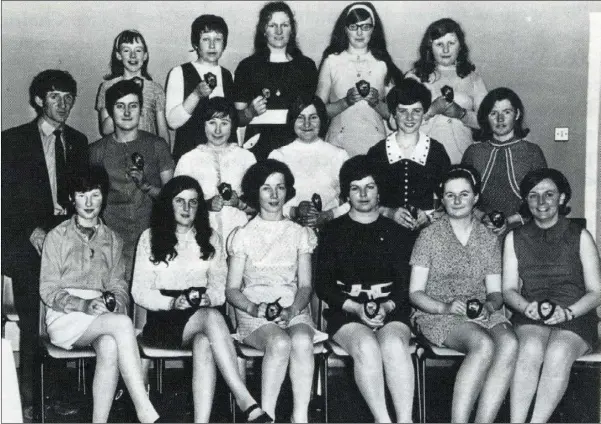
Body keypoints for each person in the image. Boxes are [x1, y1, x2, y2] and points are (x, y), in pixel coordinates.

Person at [131, 176, 271, 423]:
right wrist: (172, 303)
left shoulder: (211, 238)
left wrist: (210, 297)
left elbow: (220, 286)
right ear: (168, 204)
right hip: (164, 317)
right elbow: (139, 291)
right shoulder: (149, 237)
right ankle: (244, 399)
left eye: (193, 202)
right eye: (179, 201)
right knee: (213, 318)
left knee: (205, 341)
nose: (186, 209)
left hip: (203, 314)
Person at [39, 168, 161, 423]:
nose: (89, 203)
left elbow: (119, 287)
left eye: (95, 195)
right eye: (82, 195)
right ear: (72, 198)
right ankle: (143, 406)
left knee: (109, 345)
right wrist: (82, 304)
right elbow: (48, 289)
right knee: (123, 323)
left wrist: (111, 302)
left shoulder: (113, 240)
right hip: (65, 316)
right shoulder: (56, 237)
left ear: (103, 198)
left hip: (100, 316)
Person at [1, 69, 89, 420]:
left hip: (65, 242)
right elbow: (4, 199)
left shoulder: (79, 142)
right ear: (39, 100)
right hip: (26, 242)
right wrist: (31, 231)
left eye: (69, 97)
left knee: (66, 310)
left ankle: (58, 391)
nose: (63, 103)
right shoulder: (12, 141)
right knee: (33, 316)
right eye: (55, 96)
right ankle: (29, 396)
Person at [409, 165, 518, 423]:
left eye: (464, 194)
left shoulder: (489, 238)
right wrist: (445, 307)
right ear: (442, 199)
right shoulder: (428, 236)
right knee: (483, 344)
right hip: (437, 312)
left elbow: (496, 294)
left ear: (476, 197)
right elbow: (415, 293)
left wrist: (488, 307)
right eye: (450, 195)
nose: (457, 201)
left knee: (510, 343)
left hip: (482, 312)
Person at [315, 155, 415, 423]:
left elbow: (406, 282)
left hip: (391, 307)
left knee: (393, 345)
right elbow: (323, 284)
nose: (362, 194)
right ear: (346, 192)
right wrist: (356, 308)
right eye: (355, 187)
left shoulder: (396, 231)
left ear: (379, 189)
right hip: (346, 310)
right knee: (367, 346)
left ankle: (405, 420)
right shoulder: (332, 231)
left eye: (369, 186)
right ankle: (383, 420)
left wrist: (387, 305)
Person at [226, 160, 328, 422]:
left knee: (303, 341)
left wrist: (293, 309)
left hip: (293, 308)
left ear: (287, 191)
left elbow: (305, 286)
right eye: (266, 188)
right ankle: (266, 415)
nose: (274, 195)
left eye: (280, 188)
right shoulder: (243, 235)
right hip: (253, 311)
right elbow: (232, 290)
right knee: (280, 342)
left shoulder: (299, 233)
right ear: (255, 192)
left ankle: (300, 417)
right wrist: (253, 308)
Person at [502, 168, 600, 423]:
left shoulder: (580, 236)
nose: (541, 202)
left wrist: (569, 312)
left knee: (558, 352)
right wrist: (526, 308)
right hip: (531, 314)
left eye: (549, 194)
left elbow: (597, 291)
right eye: (533, 196)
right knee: (530, 348)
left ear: (563, 198)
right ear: (526, 201)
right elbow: (509, 290)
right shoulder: (515, 237)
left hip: (575, 315)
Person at [90, 79, 174, 282]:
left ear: (141, 109)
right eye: (120, 106)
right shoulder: (96, 151)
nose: (127, 113)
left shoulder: (157, 145)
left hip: (151, 238)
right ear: (110, 111)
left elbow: (172, 198)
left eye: (133, 106)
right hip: (111, 242)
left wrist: (147, 187)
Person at [366, 79, 450, 242]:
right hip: (383, 236)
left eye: (416, 111)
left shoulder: (436, 152)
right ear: (393, 114)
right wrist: (389, 213)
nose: (410, 117)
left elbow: (448, 199)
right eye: (403, 111)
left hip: (426, 238)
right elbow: (365, 200)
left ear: (424, 112)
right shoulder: (377, 153)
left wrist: (428, 216)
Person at [316, 1, 403, 157]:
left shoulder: (383, 63)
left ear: (373, 30)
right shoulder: (332, 62)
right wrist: (345, 102)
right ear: (345, 29)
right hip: (338, 146)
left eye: (365, 27)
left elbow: (395, 115)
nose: (359, 33)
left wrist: (376, 102)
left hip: (375, 144)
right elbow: (317, 112)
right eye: (353, 27)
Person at [233, 1, 318, 160]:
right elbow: (235, 119)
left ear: (292, 30)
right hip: (259, 146)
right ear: (263, 30)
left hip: (297, 143)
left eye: (284, 25)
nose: (279, 31)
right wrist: (250, 112)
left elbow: (317, 114)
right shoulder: (247, 67)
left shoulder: (306, 67)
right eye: (272, 25)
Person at [462, 87, 547, 235]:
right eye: (493, 113)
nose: (500, 119)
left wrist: (509, 221)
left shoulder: (532, 152)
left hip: (522, 230)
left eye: (506, 112)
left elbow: (541, 198)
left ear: (517, 114)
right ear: (486, 117)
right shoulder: (474, 152)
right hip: (479, 229)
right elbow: (463, 195)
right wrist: (483, 217)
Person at [174, 97, 256, 249]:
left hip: (241, 237)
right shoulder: (188, 159)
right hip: (200, 237)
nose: (218, 131)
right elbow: (176, 205)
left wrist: (239, 203)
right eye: (212, 123)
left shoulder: (246, 158)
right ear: (203, 124)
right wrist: (206, 205)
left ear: (232, 125)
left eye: (224, 123)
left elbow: (259, 204)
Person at [406, 18, 488, 164]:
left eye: (451, 43)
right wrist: (431, 110)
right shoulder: (414, 77)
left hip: (463, 157)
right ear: (429, 47)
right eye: (439, 44)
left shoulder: (473, 78)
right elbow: (396, 121)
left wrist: (462, 114)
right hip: (422, 158)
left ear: (460, 46)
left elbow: (488, 122)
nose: (445, 50)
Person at [268, 95, 349, 228]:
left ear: (322, 120)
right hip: (288, 230)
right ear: (292, 120)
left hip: (331, 230)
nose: (307, 124)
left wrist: (329, 215)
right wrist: (294, 212)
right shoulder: (278, 156)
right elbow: (266, 202)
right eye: (300, 117)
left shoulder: (339, 155)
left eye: (313, 117)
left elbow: (352, 201)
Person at [166, 15, 237, 163]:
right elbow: (172, 122)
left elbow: (234, 124)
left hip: (224, 158)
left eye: (217, 39)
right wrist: (196, 95)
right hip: (190, 156)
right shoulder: (179, 72)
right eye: (206, 39)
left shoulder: (229, 75)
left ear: (224, 44)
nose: (212, 46)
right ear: (196, 44)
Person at [96, 29, 170, 143]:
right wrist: (124, 91)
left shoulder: (156, 89)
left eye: (138, 50)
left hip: (148, 151)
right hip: (119, 151)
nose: (133, 55)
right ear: (118, 55)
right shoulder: (107, 86)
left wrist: (166, 158)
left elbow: (163, 132)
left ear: (145, 56)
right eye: (126, 50)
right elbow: (106, 130)